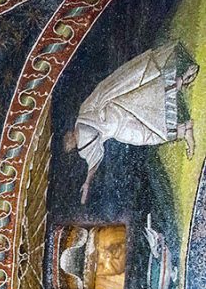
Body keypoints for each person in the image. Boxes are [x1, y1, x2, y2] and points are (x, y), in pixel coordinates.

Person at [63, 42, 199, 204]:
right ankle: (184, 131)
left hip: (118, 106)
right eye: (66, 145)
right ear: (69, 148)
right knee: (147, 135)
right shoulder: (83, 150)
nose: (68, 141)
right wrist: (87, 183)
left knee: (147, 94)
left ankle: (182, 80)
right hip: (120, 130)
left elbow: (99, 93)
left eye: (65, 139)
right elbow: (94, 162)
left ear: (67, 135)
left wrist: (110, 95)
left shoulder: (81, 115)